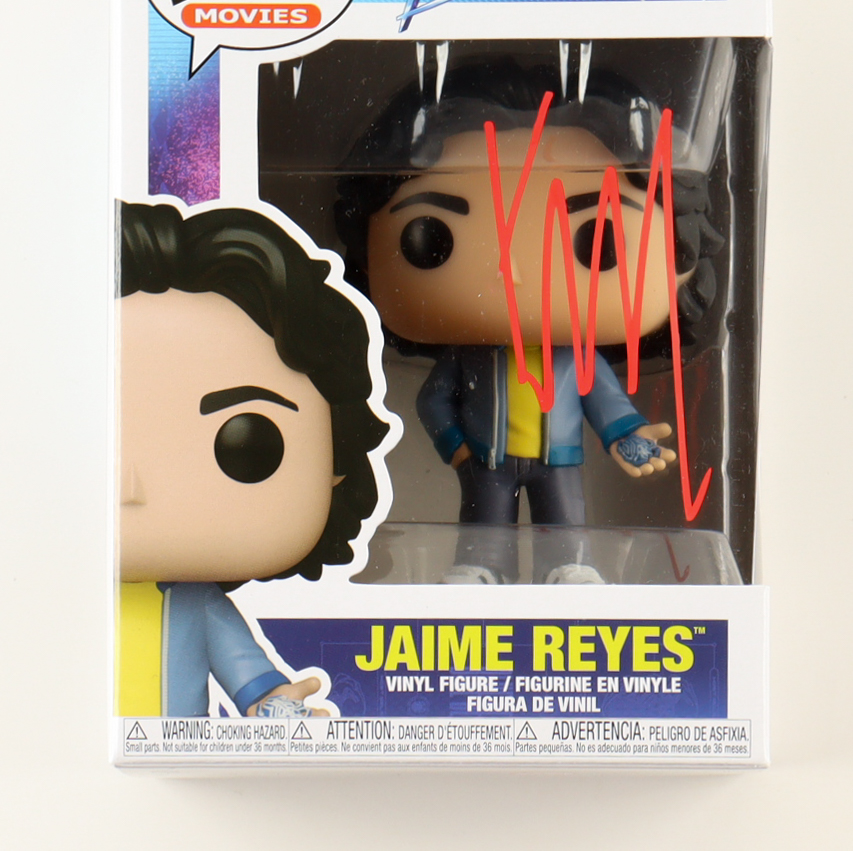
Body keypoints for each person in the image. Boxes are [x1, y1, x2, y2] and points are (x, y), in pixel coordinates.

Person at [336, 57, 722, 582]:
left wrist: (626, 436)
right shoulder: (469, 357)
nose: (512, 272)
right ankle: (480, 569)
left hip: (557, 458)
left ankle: (568, 568)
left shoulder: (575, 357)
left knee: (563, 521)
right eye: (432, 239)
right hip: (488, 459)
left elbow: (604, 401)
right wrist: (457, 449)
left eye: (598, 239)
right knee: (484, 526)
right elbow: (433, 400)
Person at [117, 201, 388, 715]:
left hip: (178, 762)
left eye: (245, 443)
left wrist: (278, 710)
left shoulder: (194, 604)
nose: (128, 485)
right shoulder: (43, 600)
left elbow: (256, 688)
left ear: (337, 459)